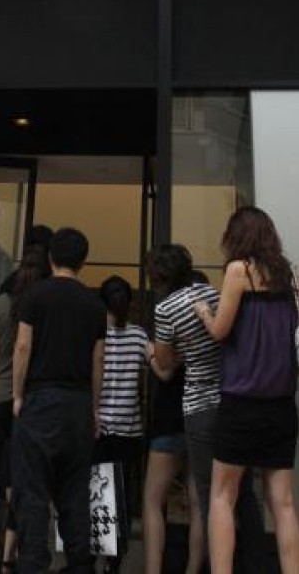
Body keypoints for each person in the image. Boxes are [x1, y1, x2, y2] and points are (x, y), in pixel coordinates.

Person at [193, 206, 299, 574]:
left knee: (223, 496)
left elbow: (220, 330)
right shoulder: (288, 275)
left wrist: (204, 312)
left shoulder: (239, 271)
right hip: (281, 404)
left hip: (241, 402)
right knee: (283, 503)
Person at [148, 243, 266, 572]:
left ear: (158, 277)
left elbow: (165, 363)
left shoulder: (166, 308)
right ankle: (256, 563)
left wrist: (157, 352)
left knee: (208, 492)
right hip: (231, 399)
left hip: (199, 406)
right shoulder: (211, 292)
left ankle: (218, 566)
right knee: (242, 491)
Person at [10, 227, 107, 574]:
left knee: (32, 490)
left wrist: (18, 395)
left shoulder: (35, 295)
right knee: (75, 492)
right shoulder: (95, 305)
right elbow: (98, 360)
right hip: (78, 404)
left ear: (51, 257)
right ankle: (80, 565)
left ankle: (33, 565)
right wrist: (94, 408)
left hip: (41, 400)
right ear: (83, 261)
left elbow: (23, 346)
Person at [0, 244, 51, 572]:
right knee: (24, 475)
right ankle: (14, 547)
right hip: (30, 399)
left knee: (2, 474)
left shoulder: (0, 303)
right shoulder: (44, 307)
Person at [143, 268, 204, 574]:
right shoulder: (213, 329)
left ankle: (153, 570)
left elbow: (165, 372)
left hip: (170, 418)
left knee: (153, 500)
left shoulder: (173, 323)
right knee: (199, 503)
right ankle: (193, 569)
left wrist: (150, 354)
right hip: (203, 418)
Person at [94, 275, 148, 572]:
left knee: (98, 492)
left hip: (99, 425)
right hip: (129, 428)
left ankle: (95, 556)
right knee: (123, 494)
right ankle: (114, 562)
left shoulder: (94, 334)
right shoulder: (139, 336)